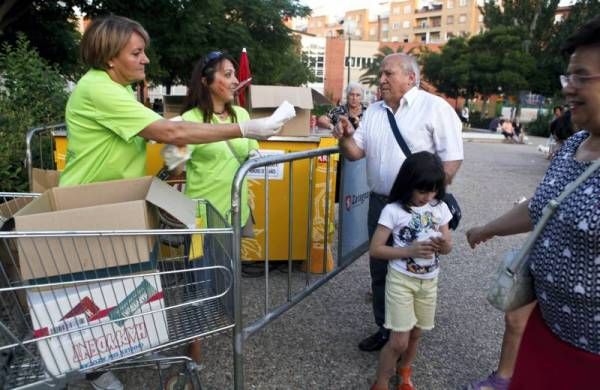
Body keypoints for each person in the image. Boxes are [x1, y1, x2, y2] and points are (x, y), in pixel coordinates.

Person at [58, 15, 289, 389]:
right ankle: (97, 370)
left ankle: (124, 347)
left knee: (126, 286)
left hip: (117, 204)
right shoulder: (97, 89)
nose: (146, 59)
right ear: (109, 57)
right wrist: (245, 128)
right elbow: (170, 130)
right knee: (98, 291)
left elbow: (166, 139)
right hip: (91, 206)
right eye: (137, 52)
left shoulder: (116, 89)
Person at [465, 16, 600, 389]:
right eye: (568, 77)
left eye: (582, 77)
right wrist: (486, 229)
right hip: (545, 333)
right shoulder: (575, 144)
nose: (569, 89)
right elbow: (544, 205)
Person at [332, 53, 463, 352]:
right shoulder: (375, 111)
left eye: (388, 73)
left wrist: (429, 203)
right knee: (380, 266)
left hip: (418, 207)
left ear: (411, 78)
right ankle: (386, 330)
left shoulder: (435, 108)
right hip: (381, 204)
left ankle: (409, 335)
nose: (381, 79)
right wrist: (343, 137)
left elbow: (452, 160)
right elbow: (355, 152)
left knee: (415, 266)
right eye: (381, 74)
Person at [369, 151, 453, 390]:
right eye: (422, 191)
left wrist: (445, 245)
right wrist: (410, 251)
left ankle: (404, 371)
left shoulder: (440, 207)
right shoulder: (393, 210)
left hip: (429, 282)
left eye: (434, 190)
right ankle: (382, 382)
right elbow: (375, 250)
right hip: (401, 281)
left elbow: (447, 247)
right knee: (398, 341)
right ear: (408, 185)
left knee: (416, 334)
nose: (428, 197)